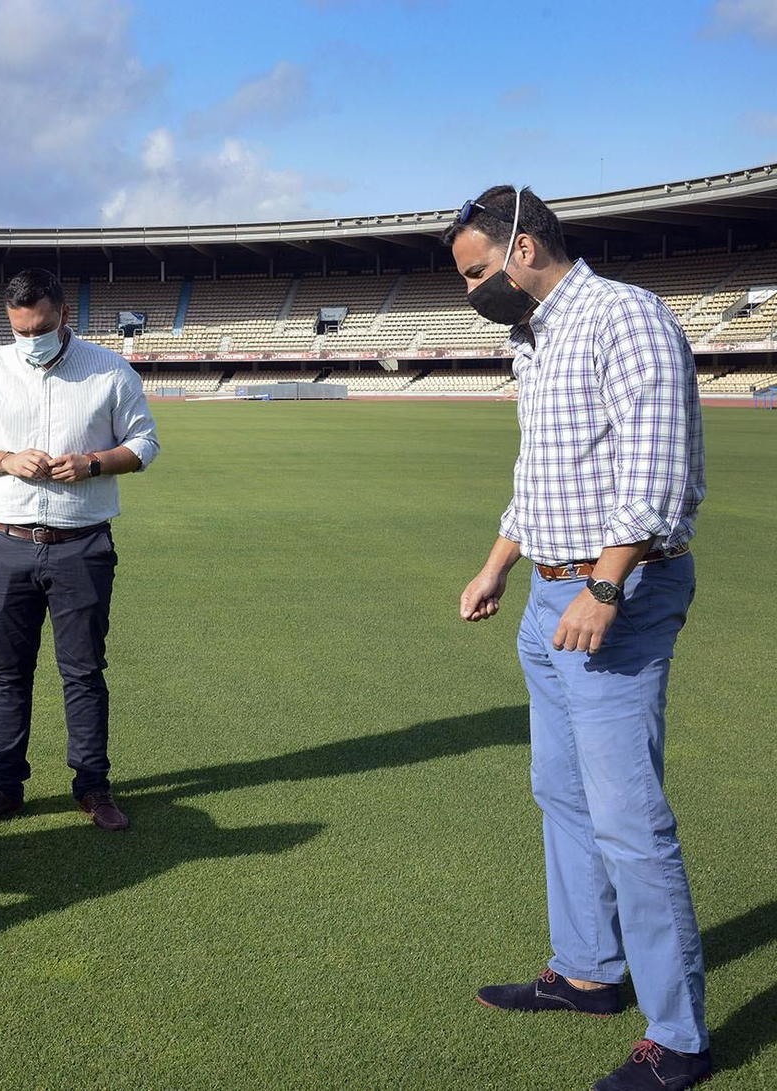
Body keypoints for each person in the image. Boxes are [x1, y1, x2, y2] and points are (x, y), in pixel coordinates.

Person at [447, 186, 709, 1091]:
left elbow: (657, 471)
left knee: (629, 818)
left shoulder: (624, 317)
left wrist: (603, 583)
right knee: (560, 790)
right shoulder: (534, 338)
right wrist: (499, 563)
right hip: (548, 593)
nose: (474, 290)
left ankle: (678, 1037)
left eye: (478, 272)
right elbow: (541, 474)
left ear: (524, 247)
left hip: (615, 595)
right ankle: (590, 970)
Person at [0, 267, 159, 833]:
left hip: (80, 546)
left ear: (64, 315)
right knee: (7, 674)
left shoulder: (109, 370)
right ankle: (3, 788)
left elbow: (145, 442)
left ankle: (92, 787)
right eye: (19, 330)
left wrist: (93, 463)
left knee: (83, 673)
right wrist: (5, 459)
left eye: (39, 327)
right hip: (7, 545)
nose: (30, 340)